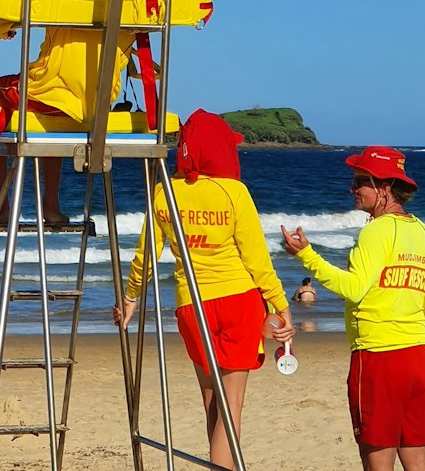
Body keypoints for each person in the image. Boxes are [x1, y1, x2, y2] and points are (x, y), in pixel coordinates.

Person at [114, 110, 293, 471]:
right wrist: (280, 304)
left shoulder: (165, 191)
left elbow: (145, 254)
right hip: (238, 301)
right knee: (232, 407)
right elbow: (257, 259)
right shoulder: (234, 192)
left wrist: (130, 296)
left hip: (191, 305)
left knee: (213, 401)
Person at [281, 146, 425, 471]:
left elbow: (353, 288)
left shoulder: (376, 231)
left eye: (359, 182)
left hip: (379, 357)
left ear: (384, 188)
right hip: (418, 357)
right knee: (416, 457)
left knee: (377, 461)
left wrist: (307, 256)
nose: (352, 189)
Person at [0, 0, 146, 227]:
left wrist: (4, 30)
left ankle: (1, 205)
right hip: (97, 106)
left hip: (49, 92)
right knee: (50, 121)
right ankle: (50, 207)